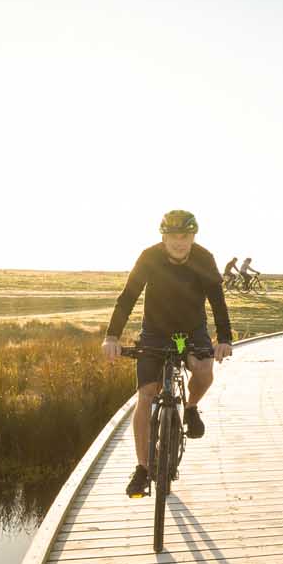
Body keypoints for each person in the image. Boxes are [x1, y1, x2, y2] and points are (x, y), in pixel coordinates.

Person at [103, 210, 234, 498]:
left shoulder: (204, 259)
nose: (178, 242)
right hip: (155, 332)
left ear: (193, 237)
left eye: (184, 236)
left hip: (191, 332)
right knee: (146, 394)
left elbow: (217, 301)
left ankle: (191, 407)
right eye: (172, 236)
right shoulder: (149, 257)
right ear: (163, 237)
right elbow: (128, 297)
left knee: (204, 370)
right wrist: (111, 337)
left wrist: (224, 339)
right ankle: (142, 468)